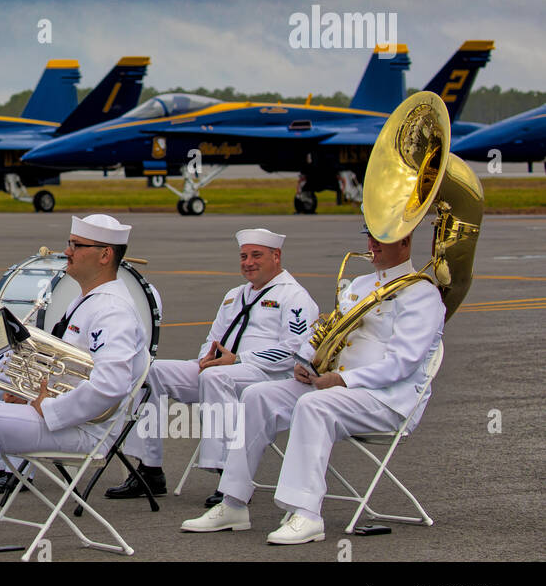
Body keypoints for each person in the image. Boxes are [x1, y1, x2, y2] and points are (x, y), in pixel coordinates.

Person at [0, 214, 150, 562]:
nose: (68, 251)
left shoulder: (113, 309)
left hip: (85, 428)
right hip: (63, 416)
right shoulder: (88, 300)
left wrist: (47, 406)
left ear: (105, 254)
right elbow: (64, 370)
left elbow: (111, 386)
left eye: (77, 246)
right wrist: (27, 391)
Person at [181, 224, 444, 544]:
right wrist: (305, 364)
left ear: (404, 241)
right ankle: (233, 503)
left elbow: (402, 364)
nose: (372, 245)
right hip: (339, 387)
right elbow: (325, 333)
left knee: (313, 404)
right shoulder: (360, 284)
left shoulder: (421, 293)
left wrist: (343, 379)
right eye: (370, 237)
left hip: (386, 398)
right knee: (257, 396)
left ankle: (306, 513)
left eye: (380, 239)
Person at [111, 228, 318, 505]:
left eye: (257, 255)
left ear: (276, 256)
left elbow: (295, 350)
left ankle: (230, 477)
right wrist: (204, 359)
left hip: (266, 377)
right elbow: (213, 337)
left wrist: (240, 359)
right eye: (244, 256)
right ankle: (149, 469)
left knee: (217, 377)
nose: (249, 262)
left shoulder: (294, 297)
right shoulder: (234, 295)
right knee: (150, 372)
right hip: (223, 369)